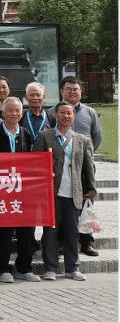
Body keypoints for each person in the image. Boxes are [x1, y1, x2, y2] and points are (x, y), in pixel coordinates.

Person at [33, 102, 96, 281]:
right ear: (56, 115)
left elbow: (89, 167)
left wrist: (91, 189)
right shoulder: (45, 136)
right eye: (62, 113)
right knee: (50, 233)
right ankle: (50, 268)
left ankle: (72, 268)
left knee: (72, 233)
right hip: (51, 194)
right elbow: (36, 163)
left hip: (74, 193)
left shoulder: (82, 140)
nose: (66, 116)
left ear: (74, 116)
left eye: (69, 113)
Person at [0, 97, 39, 283]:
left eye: (17, 110)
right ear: (2, 113)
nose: (14, 114)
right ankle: (4, 268)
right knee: (3, 231)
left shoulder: (26, 134)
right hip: (2, 190)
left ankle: (24, 268)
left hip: (23, 190)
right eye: (10, 110)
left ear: (22, 113)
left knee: (27, 231)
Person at [60, 75, 103, 257]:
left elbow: (97, 137)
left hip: (85, 168)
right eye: (68, 89)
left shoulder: (89, 112)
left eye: (75, 89)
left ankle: (86, 242)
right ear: (62, 91)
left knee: (87, 203)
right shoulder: (55, 112)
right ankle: (63, 243)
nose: (72, 92)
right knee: (64, 205)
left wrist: (84, 155)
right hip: (63, 167)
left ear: (81, 91)